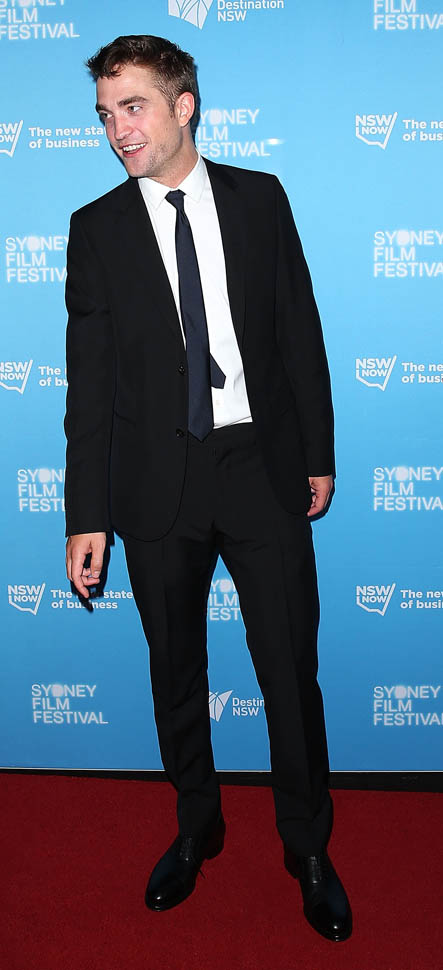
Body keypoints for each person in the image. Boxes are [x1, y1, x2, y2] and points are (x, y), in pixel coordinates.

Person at [64, 34, 352, 942]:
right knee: (175, 672)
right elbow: (89, 387)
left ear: (183, 106)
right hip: (157, 485)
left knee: (288, 671)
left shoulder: (260, 199)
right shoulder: (96, 228)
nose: (118, 129)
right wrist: (86, 515)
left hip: (258, 467)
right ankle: (197, 825)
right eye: (105, 114)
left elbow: (298, 331)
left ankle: (306, 845)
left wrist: (317, 454)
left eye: (133, 107)